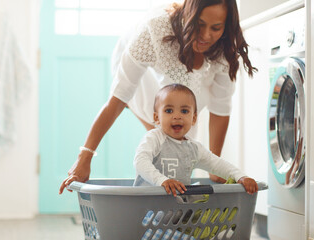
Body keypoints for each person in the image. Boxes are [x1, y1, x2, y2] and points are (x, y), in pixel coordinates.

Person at [59, 0, 257, 194]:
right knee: (164, 138)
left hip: (184, 87)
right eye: (200, 25)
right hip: (145, 74)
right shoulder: (154, 31)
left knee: (182, 143)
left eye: (216, 27)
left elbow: (221, 107)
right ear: (188, 14)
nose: (206, 35)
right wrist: (85, 157)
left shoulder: (225, 44)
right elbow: (118, 99)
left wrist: (216, 171)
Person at [133, 83, 258, 196]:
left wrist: (240, 176)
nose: (177, 116)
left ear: (193, 118)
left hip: (175, 211)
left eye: (184, 111)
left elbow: (216, 164)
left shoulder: (193, 148)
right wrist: (162, 180)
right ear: (157, 118)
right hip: (146, 206)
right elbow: (140, 162)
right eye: (169, 110)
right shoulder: (154, 138)